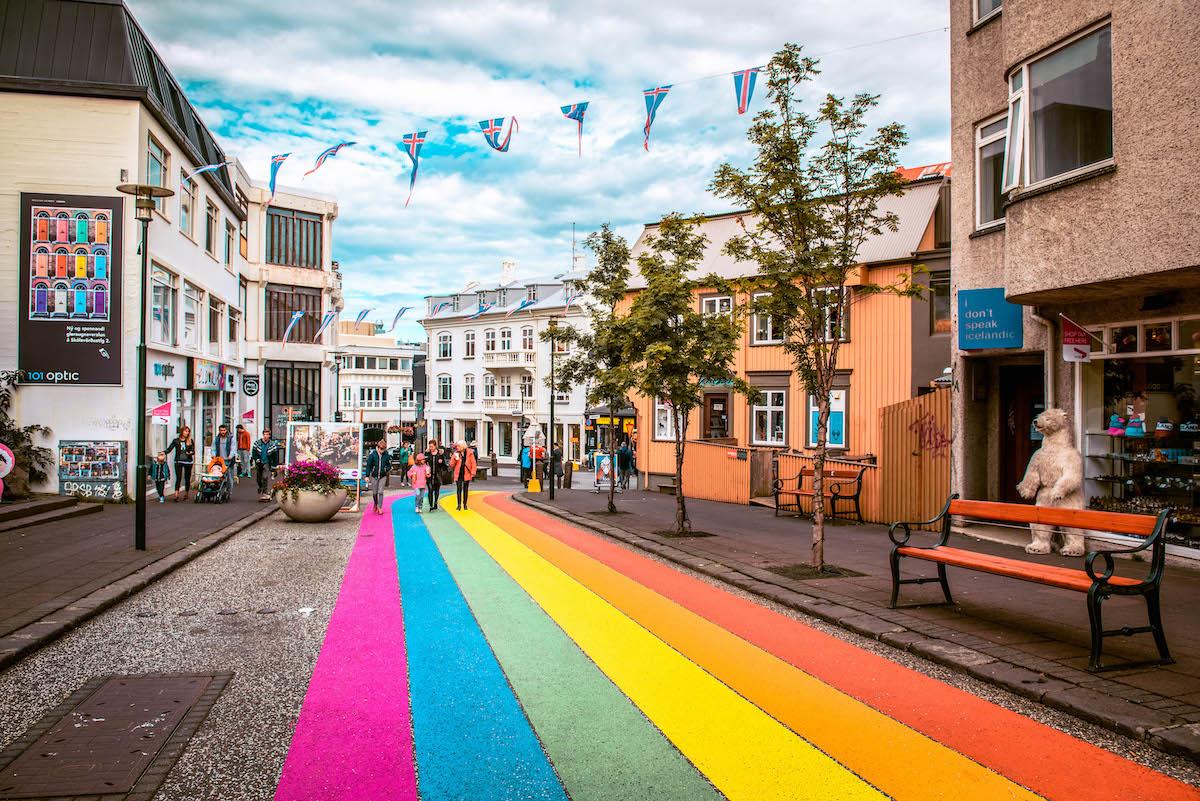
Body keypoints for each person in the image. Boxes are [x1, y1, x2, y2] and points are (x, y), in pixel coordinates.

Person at [164, 425, 195, 502]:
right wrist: (163, 452)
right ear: (182, 432)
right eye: (185, 431)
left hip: (188, 461)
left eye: (188, 431)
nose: (187, 433)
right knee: (178, 477)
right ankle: (176, 494)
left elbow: (193, 451)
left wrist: (190, 453)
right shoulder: (176, 441)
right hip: (178, 461)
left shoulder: (190, 441)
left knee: (187, 478)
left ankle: (186, 494)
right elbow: (169, 449)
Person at [250, 427, 280, 501]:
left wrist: (274, 466)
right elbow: (254, 453)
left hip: (267, 462)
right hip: (259, 462)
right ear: (263, 435)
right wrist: (256, 459)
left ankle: (265, 491)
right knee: (258, 478)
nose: (266, 436)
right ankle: (260, 487)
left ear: (269, 436)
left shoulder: (272, 444)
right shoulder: (257, 443)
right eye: (264, 434)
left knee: (265, 477)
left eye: (267, 434)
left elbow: (275, 456)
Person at [364, 439, 392, 515]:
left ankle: (379, 507)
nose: (382, 451)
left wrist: (387, 469)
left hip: (383, 476)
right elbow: (369, 466)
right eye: (381, 449)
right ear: (377, 447)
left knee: (380, 492)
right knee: (374, 493)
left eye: (383, 449)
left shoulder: (386, 455)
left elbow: (389, 464)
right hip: (374, 476)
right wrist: (367, 476)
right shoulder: (372, 455)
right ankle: (375, 504)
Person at [450, 440, 477, 511]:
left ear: (463, 446)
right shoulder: (456, 453)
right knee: (458, 489)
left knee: (465, 489)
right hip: (458, 473)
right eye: (457, 446)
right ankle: (458, 505)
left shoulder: (470, 453)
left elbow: (473, 463)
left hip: (466, 473)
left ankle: (465, 504)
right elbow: (451, 465)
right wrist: (454, 459)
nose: (457, 447)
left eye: (458, 446)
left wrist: (473, 472)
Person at [424, 439, 447, 510]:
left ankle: (435, 503)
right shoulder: (427, 453)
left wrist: (441, 462)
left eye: (432, 446)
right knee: (430, 490)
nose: (430, 448)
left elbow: (444, 465)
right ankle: (431, 505)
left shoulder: (440, 454)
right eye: (429, 446)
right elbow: (424, 463)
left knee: (437, 490)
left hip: (438, 475)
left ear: (435, 446)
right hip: (429, 475)